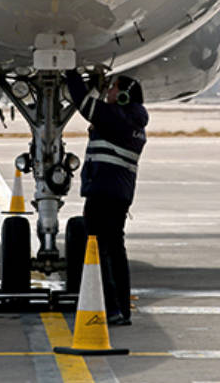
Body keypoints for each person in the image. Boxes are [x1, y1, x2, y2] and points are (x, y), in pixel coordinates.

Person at [65, 68, 148, 326]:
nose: (108, 92)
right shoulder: (133, 122)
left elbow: (82, 100)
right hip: (119, 195)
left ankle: (110, 308)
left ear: (123, 95)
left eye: (112, 88)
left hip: (103, 194)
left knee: (99, 251)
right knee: (116, 250)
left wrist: (70, 67)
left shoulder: (114, 119)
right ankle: (122, 309)